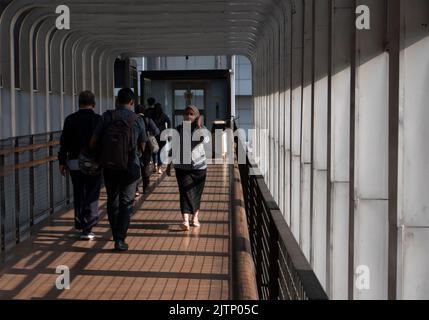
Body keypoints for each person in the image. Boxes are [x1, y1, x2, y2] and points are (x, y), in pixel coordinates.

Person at [90, 88, 148, 251]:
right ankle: (120, 239)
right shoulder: (137, 119)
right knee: (126, 202)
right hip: (131, 166)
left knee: (112, 200)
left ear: (117, 101)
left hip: (110, 166)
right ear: (132, 102)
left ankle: (116, 234)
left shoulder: (107, 116)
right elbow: (143, 145)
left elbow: (93, 141)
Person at [58, 91, 102, 240]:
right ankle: (88, 227)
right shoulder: (98, 120)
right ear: (94, 104)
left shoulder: (70, 119)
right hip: (94, 163)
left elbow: (64, 143)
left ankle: (80, 223)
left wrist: (62, 162)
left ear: (79, 103)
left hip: (75, 162)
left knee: (78, 193)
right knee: (92, 192)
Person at [166, 105, 209, 231]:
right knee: (185, 192)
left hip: (199, 167)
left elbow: (205, 139)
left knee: (197, 193)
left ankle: (195, 217)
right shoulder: (179, 129)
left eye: (191, 114)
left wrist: (200, 127)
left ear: (196, 116)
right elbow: (173, 148)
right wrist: (169, 164)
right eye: (186, 113)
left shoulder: (201, 128)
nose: (188, 116)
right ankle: (185, 220)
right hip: (182, 167)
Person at [135, 104, 160, 195]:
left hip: (135, 147)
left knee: (136, 168)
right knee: (145, 168)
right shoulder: (148, 120)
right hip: (146, 148)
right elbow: (157, 131)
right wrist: (150, 134)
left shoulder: (133, 119)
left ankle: (136, 189)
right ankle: (146, 188)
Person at [152, 103, 171, 174]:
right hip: (163, 135)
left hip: (154, 135)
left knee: (154, 151)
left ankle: (155, 166)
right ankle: (159, 168)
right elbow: (169, 122)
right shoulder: (163, 115)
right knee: (160, 151)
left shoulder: (152, 115)